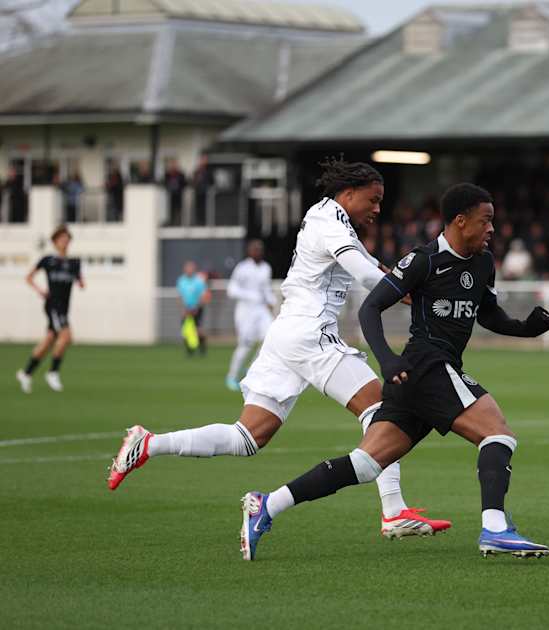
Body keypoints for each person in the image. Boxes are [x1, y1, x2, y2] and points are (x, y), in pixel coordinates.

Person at [106, 158, 450, 542]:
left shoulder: (330, 220)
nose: (377, 208)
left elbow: (376, 268)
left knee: (248, 436)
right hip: (309, 334)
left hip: (286, 333)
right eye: (373, 199)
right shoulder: (330, 223)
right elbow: (368, 275)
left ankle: (149, 444)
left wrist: (415, 292)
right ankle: (393, 511)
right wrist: (413, 293)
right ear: (349, 193)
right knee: (382, 409)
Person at [238, 183, 549, 561]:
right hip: (425, 365)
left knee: (365, 464)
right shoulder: (424, 260)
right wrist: (386, 359)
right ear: (460, 220)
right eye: (485, 220)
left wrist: (524, 328)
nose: (491, 229)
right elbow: (370, 308)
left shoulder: (483, 262)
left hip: (420, 377)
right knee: (497, 434)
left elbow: (487, 313)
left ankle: (267, 505)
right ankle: (496, 528)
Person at [16, 225, 85, 393]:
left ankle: (26, 373)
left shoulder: (74, 263)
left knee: (48, 340)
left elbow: (80, 281)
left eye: (67, 239)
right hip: (53, 305)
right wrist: (40, 290)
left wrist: (81, 282)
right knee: (66, 336)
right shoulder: (48, 260)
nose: (65, 242)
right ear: (55, 242)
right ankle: (53, 372)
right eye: (62, 239)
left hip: (64, 307)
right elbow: (29, 277)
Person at [225, 240, 275, 391]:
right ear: (249, 251)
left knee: (270, 339)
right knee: (245, 345)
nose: (257, 252)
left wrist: (271, 300)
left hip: (261, 310)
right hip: (245, 311)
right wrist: (250, 295)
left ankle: (251, 369)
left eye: (260, 249)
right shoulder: (242, 268)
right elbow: (231, 289)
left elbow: (266, 289)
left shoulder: (266, 268)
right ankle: (232, 376)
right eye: (255, 249)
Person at [176, 261, 208, 356]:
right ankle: (190, 350)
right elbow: (180, 295)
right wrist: (183, 308)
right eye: (187, 268)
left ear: (194, 269)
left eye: (191, 268)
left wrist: (197, 307)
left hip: (197, 308)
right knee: (187, 330)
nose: (189, 270)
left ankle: (202, 348)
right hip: (186, 309)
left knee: (198, 330)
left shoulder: (199, 281)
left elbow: (203, 296)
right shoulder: (181, 280)